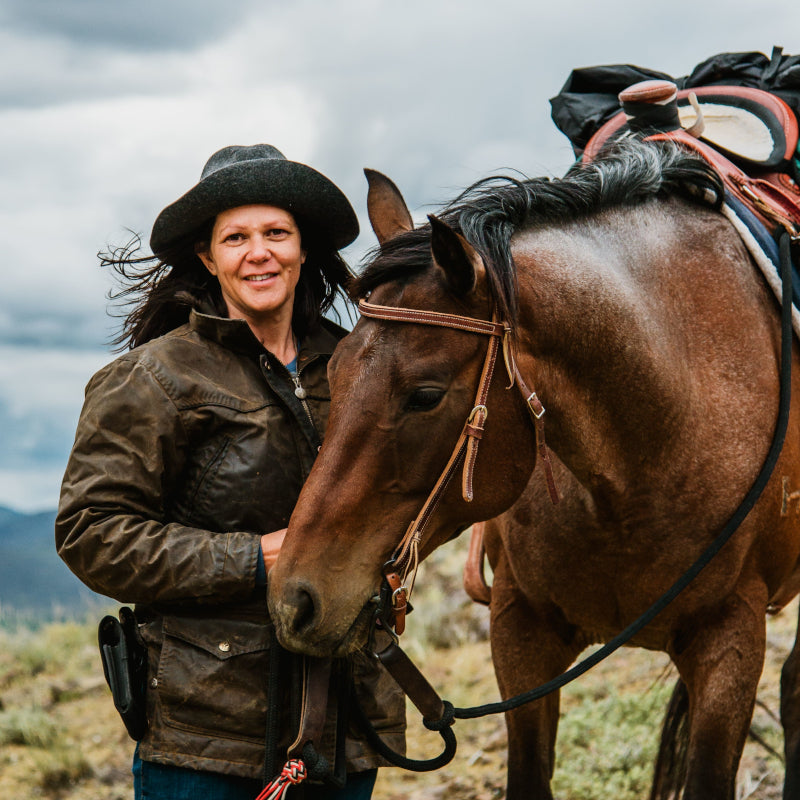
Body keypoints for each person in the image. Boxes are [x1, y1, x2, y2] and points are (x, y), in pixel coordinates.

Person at [56, 144, 406, 800]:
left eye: (277, 233)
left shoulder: (362, 367)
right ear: (207, 257)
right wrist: (255, 559)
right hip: (207, 739)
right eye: (236, 238)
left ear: (304, 250)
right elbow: (92, 533)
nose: (260, 252)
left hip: (345, 721)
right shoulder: (153, 378)